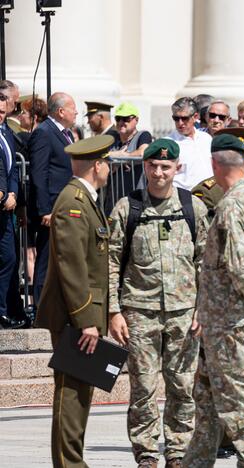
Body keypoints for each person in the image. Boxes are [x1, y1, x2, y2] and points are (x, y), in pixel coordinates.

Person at [182, 134, 244, 467]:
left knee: (236, 394)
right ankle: (195, 462)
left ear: (214, 166)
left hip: (227, 318)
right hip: (229, 316)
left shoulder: (231, 205)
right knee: (208, 396)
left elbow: (238, 265)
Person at [107, 139, 208, 468]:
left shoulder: (193, 208)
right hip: (139, 311)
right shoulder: (128, 208)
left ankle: (178, 452)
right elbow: (110, 263)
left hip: (184, 314)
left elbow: (206, 262)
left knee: (182, 386)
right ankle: (147, 454)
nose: (160, 172)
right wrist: (113, 311)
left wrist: (203, 307)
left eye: (166, 166)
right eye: (153, 165)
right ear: (145, 167)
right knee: (144, 387)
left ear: (177, 167)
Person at [33, 135, 113, 467]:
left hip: (84, 316)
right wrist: (86, 321)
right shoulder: (74, 202)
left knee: (80, 394)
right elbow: (72, 266)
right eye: (106, 161)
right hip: (75, 317)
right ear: (97, 165)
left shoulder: (84, 198)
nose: (108, 168)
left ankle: (72, 461)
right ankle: (68, 464)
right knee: (71, 395)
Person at [29, 92, 78, 306]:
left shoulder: (67, 134)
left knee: (62, 259)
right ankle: (41, 309)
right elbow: (39, 174)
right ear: (60, 111)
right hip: (52, 209)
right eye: (73, 108)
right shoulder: (44, 133)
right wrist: (45, 210)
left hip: (66, 207)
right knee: (46, 262)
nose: (76, 112)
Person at [0, 82, 21, 329]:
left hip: (6, 207)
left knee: (9, 258)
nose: (1, 118)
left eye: (4, 113)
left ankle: (3, 309)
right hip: (2, 202)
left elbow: (11, 168)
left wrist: (13, 193)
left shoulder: (5, 133)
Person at [167, 97, 213, 190]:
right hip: (185, 197)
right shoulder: (168, 143)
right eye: (176, 118)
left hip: (209, 195)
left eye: (184, 118)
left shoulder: (206, 138)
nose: (180, 123)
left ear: (195, 117)